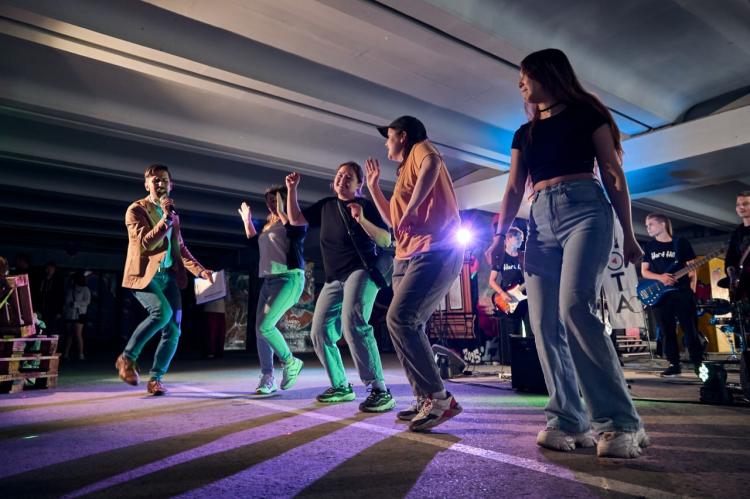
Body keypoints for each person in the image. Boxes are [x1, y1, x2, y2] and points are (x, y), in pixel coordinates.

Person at [484, 49, 647, 458]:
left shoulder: (586, 114)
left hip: (586, 210)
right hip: (538, 219)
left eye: (525, 76)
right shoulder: (524, 134)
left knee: (576, 308)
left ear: (548, 74)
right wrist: (499, 235)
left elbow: (612, 173)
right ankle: (568, 420)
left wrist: (629, 233)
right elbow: (514, 187)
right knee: (542, 322)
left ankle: (621, 423)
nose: (520, 84)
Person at [365, 115, 464, 432]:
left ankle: (440, 399)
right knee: (404, 325)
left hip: (435, 249)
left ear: (403, 136)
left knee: (400, 318)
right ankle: (425, 397)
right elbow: (394, 222)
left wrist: (410, 210)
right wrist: (373, 188)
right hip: (406, 256)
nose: (386, 143)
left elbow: (433, 165)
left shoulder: (421, 149)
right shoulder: (403, 174)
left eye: (389, 136)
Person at [286, 162, 395, 412]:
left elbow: (385, 239)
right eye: (339, 175)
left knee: (353, 322)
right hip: (333, 278)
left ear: (358, 185)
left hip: (361, 270)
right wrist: (292, 190)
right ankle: (341, 386)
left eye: (349, 177)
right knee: (319, 331)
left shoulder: (365, 205)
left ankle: (380, 390)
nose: (342, 179)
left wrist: (361, 219)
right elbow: (295, 220)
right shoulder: (326, 206)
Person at [116, 164, 213, 395]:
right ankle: (126, 358)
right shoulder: (136, 210)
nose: (160, 184)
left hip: (168, 277)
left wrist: (201, 271)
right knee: (162, 313)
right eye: (155, 180)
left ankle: (156, 379)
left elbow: (181, 249)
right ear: (146, 185)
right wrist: (166, 219)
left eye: (164, 180)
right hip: (145, 275)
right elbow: (145, 243)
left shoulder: (173, 216)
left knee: (174, 330)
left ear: (171, 186)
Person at [238, 186, 306, 394]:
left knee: (265, 327)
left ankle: (290, 361)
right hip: (269, 280)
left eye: (274, 199)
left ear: (284, 199)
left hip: (289, 278)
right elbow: (255, 244)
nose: (270, 204)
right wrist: (247, 221)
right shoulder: (269, 224)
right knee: (260, 331)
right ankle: (268, 377)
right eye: (268, 200)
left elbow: (296, 233)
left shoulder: (294, 219)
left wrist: (283, 211)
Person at [641, 213, 705, 376]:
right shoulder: (649, 246)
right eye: (646, 225)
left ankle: (698, 363)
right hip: (660, 295)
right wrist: (660, 277)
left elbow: (692, 268)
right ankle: (673, 364)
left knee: (690, 329)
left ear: (663, 224)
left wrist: (692, 288)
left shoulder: (680, 243)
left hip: (682, 292)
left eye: (651, 224)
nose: (647, 228)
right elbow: (644, 272)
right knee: (667, 331)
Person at [488, 226, 532, 363]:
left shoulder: (523, 256)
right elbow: (492, 281)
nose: (521, 240)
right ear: (508, 239)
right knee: (513, 333)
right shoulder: (500, 257)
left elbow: (531, 275)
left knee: (531, 331)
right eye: (518, 238)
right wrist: (502, 293)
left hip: (526, 299)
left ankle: (531, 361)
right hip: (509, 300)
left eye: (522, 238)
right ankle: (513, 363)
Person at [725, 191, 750, 301]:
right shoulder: (737, 233)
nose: (741, 207)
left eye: (745, 204)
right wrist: (731, 271)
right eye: (738, 204)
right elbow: (730, 257)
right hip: (742, 288)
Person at [62, 272, 90, 360]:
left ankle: (81, 353)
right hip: (69, 315)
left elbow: (87, 301)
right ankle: (66, 354)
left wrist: (76, 304)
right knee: (69, 334)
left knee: (78, 334)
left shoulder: (85, 289)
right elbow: (66, 301)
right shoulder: (70, 289)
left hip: (79, 314)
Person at [35, 261, 65, 337]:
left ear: (54, 270)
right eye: (48, 268)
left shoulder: (57, 281)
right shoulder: (42, 280)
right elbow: (38, 295)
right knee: (41, 328)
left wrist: (59, 311)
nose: (49, 270)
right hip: (41, 309)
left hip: (53, 310)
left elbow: (60, 297)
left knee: (51, 329)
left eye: (51, 268)